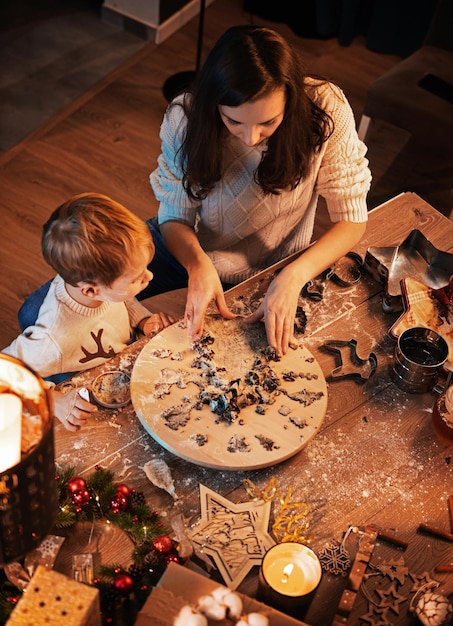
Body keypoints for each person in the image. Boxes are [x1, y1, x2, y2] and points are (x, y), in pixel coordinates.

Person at [139, 24, 371, 357]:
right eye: (233, 122)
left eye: (268, 123)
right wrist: (196, 265)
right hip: (194, 245)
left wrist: (293, 276)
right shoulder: (186, 117)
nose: (250, 138)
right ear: (214, 104)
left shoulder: (325, 107)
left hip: (278, 265)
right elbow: (174, 216)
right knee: (53, 303)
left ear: (290, 101)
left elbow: (352, 220)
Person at [2, 193, 176, 431]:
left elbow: (122, 300)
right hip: (92, 397)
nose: (150, 276)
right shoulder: (54, 339)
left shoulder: (98, 285)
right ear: (92, 291)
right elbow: (6, 373)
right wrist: (54, 402)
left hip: (123, 364)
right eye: (137, 278)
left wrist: (143, 320)